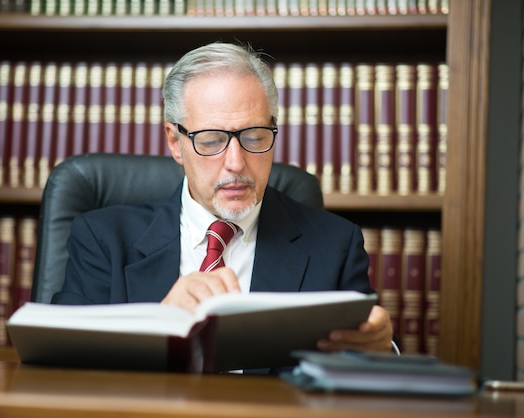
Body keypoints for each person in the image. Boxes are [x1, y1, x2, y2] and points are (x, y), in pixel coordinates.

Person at [52, 42, 396, 368]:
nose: (236, 162)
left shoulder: (335, 245)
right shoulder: (102, 238)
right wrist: (158, 328)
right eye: (212, 140)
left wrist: (380, 349)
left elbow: (360, 375)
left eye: (255, 136)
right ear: (175, 141)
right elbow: (60, 364)